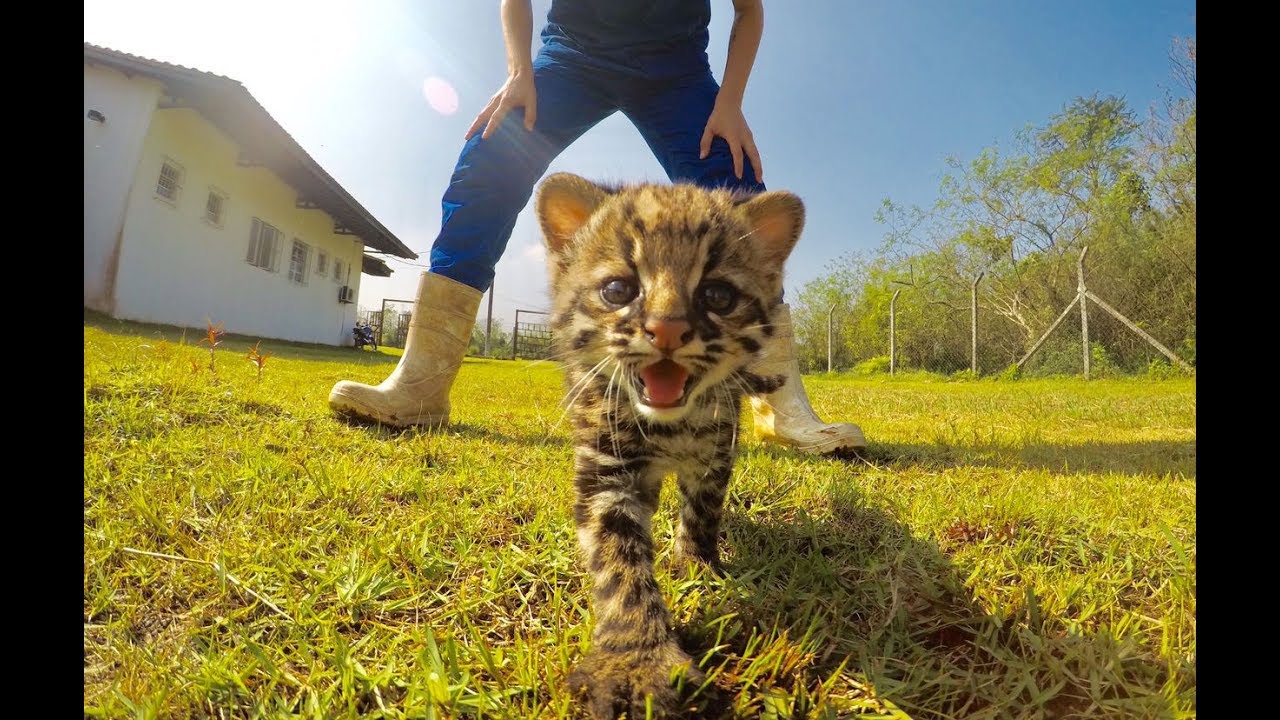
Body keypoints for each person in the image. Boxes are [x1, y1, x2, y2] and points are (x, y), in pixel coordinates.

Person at [329, 0, 867, 455]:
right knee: (489, 159)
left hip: (675, 72)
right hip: (573, 58)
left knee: (737, 193)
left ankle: (780, 406)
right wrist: (520, 72)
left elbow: (748, 10)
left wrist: (730, 102)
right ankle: (421, 385)